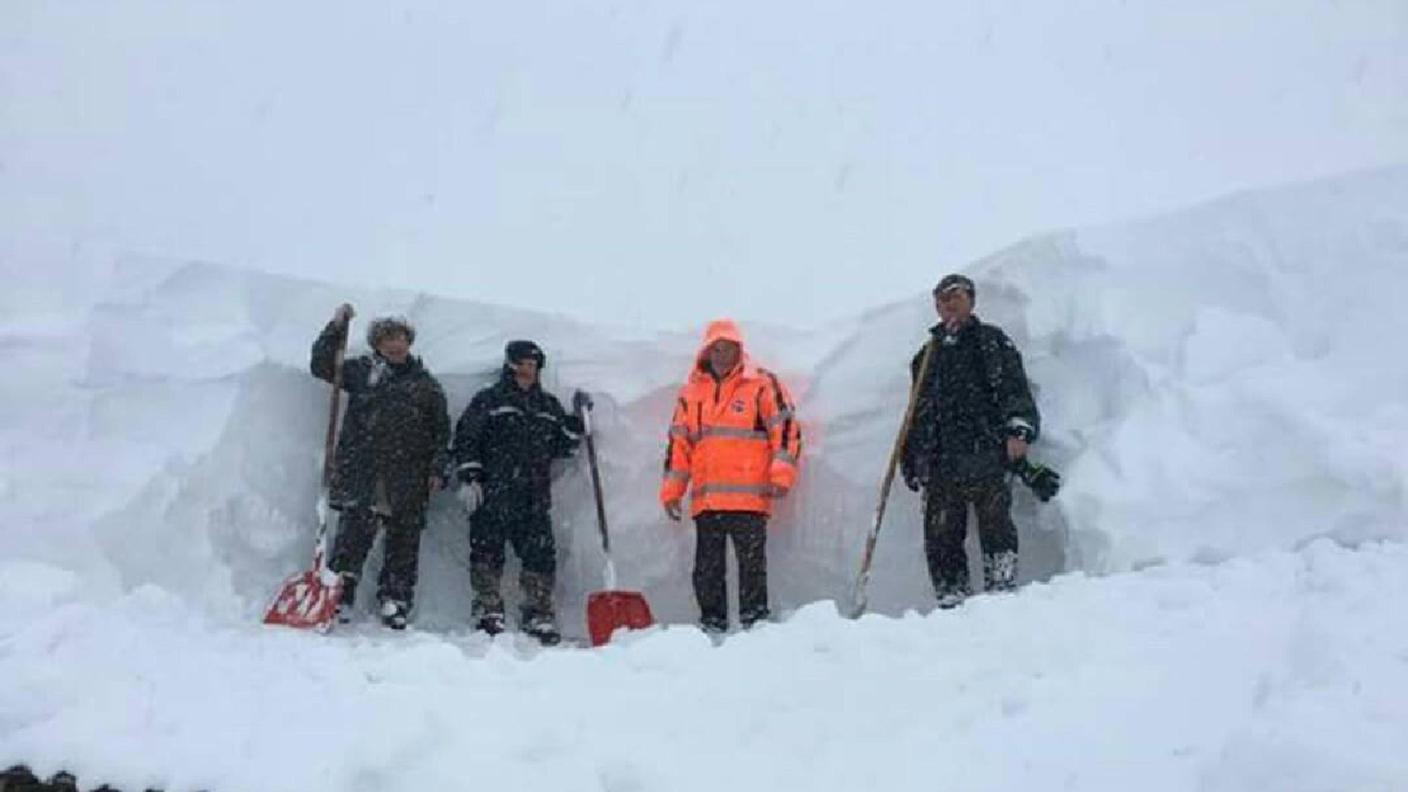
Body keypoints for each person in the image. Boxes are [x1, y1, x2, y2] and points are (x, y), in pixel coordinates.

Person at [900, 274, 1042, 608]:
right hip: (942, 463)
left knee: (996, 526)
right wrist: (912, 457)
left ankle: (1002, 588)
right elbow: (917, 414)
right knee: (941, 535)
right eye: (942, 299)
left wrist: (1019, 429)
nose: (949, 304)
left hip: (986, 453)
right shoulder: (926, 356)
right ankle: (951, 598)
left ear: (971, 301)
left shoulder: (992, 342)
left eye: (956, 297)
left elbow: (1014, 391)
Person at [311, 304, 450, 629]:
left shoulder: (426, 386)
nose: (396, 344)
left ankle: (395, 600)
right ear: (377, 343)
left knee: (404, 543)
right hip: (365, 471)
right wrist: (335, 328)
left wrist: (438, 468)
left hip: (409, 477)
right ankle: (339, 598)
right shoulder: (362, 372)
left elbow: (442, 432)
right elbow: (321, 366)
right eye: (388, 337)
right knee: (353, 538)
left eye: (401, 337)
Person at [659, 319, 802, 634]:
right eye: (717, 348)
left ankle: (754, 625)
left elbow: (786, 429)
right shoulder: (692, 393)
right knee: (707, 571)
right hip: (707, 501)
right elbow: (679, 445)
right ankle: (713, 626)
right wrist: (672, 491)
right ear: (706, 352)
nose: (722, 355)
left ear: (740, 350)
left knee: (751, 568)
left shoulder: (761, 385)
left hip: (750, 499)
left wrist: (781, 474)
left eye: (729, 348)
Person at [450, 340, 585, 645]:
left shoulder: (547, 407)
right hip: (492, 492)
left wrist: (575, 424)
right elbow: (466, 437)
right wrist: (470, 475)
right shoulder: (489, 401)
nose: (526, 371)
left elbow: (563, 447)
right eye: (521, 364)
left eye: (532, 366)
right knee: (487, 552)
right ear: (509, 366)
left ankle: (538, 612)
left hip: (533, 496)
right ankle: (488, 609)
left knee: (539, 555)